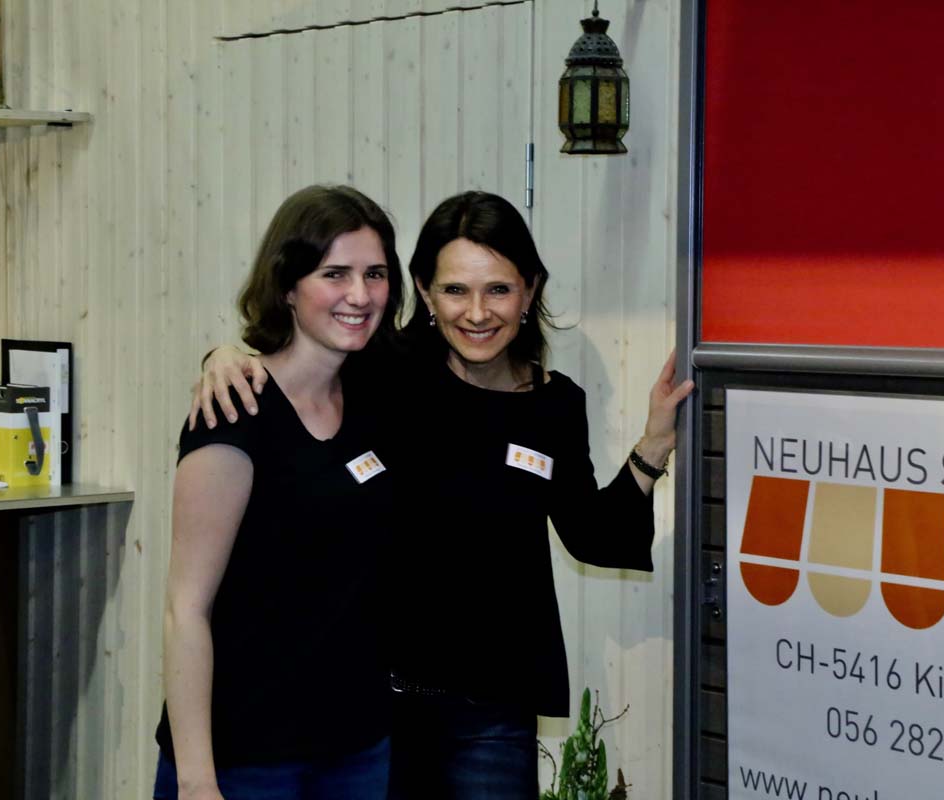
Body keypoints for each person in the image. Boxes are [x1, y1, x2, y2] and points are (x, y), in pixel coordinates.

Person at [192, 191, 694, 799]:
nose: (477, 313)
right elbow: (293, 369)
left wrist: (654, 443)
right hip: (370, 704)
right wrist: (225, 357)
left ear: (530, 290)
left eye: (498, 289)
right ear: (426, 293)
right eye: (455, 290)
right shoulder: (384, 374)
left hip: (491, 715)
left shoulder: (554, 404)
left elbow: (596, 535)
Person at [156, 185, 404, 800]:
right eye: (334, 274)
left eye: (374, 274)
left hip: (356, 752)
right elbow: (186, 610)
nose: (359, 294)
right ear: (287, 286)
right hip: (245, 760)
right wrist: (197, 781)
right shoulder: (234, 412)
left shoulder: (376, 396)